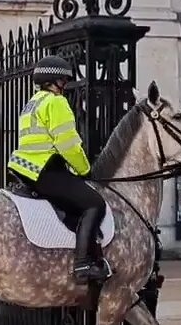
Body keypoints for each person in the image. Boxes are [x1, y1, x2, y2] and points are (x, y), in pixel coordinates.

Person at [7, 55, 110, 283]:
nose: (65, 85)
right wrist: (84, 170)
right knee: (95, 204)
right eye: (63, 80)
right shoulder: (56, 102)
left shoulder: (32, 103)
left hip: (25, 169)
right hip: (46, 170)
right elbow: (68, 144)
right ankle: (83, 265)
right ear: (55, 80)